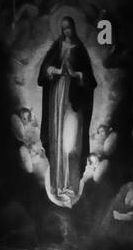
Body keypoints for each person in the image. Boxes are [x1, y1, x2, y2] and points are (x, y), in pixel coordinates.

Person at [36, 16, 96, 204]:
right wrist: (51, 70)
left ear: (73, 28)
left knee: (72, 142)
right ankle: (57, 184)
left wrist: (76, 74)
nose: (66, 32)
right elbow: (44, 72)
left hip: (73, 100)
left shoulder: (80, 50)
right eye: (63, 29)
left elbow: (90, 79)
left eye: (68, 28)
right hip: (56, 97)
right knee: (57, 140)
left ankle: (71, 184)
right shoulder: (56, 47)